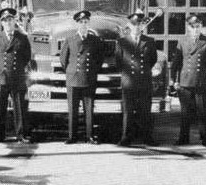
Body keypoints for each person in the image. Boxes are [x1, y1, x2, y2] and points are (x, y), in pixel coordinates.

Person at [169, 14, 206, 147]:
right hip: (185, 82)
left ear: (201, 26)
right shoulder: (182, 41)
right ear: (188, 27)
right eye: (193, 27)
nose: (195, 29)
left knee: (203, 111)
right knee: (185, 112)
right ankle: (183, 138)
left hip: (201, 82)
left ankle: (205, 138)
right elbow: (176, 62)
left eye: (198, 26)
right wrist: (173, 79)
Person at [60, 10, 105, 145]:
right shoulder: (70, 39)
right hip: (73, 78)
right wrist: (71, 71)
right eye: (81, 22)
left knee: (89, 109)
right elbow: (63, 60)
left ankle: (89, 136)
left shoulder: (95, 40)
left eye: (85, 22)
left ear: (88, 23)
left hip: (88, 78)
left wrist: (92, 71)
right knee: (72, 109)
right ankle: (72, 136)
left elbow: (99, 59)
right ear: (77, 24)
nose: (83, 24)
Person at [115, 10, 158, 147]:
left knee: (145, 111)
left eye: (139, 24)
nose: (137, 27)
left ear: (142, 25)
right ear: (129, 25)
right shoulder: (122, 42)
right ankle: (126, 138)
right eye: (134, 24)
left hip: (144, 81)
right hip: (129, 82)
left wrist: (142, 72)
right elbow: (119, 62)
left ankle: (147, 137)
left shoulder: (149, 41)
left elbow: (152, 60)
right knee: (128, 111)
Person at [0, 7, 32, 144]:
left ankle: (21, 134)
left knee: (19, 107)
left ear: (14, 21)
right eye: (5, 20)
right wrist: (0, 67)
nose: (8, 23)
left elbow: (26, 56)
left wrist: (18, 68)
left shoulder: (22, 38)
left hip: (17, 76)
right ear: (1, 23)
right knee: (0, 107)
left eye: (10, 20)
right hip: (2, 76)